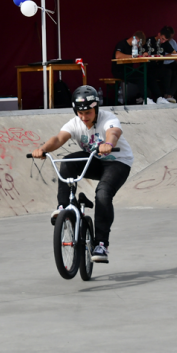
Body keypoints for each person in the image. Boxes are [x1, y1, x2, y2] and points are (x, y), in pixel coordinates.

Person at [31, 86, 134, 263]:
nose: (84, 117)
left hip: (118, 162)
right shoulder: (74, 123)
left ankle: (101, 244)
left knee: (103, 193)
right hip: (94, 160)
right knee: (67, 163)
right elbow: (59, 139)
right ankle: (64, 207)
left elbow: (113, 132)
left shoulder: (108, 118)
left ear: (96, 109)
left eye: (88, 113)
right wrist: (43, 149)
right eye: (80, 113)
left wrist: (108, 143)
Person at [112, 31, 169, 105]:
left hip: (130, 70)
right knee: (141, 78)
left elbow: (138, 55)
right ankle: (146, 99)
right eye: (139, 45)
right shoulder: (122, 44)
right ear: (137, 41)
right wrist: (133, 56)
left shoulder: (134, 47)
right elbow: (118, 56)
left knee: (149, 77)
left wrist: (143, 54)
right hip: (120, 71)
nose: (139, 47)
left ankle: (159, 98)